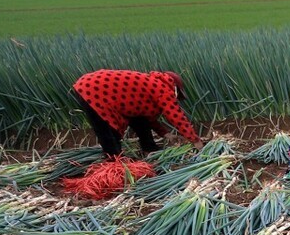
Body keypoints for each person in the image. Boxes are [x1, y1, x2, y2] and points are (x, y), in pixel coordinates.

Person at [65, 69, 203, 199]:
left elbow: (146, 118)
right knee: (107, 131)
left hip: (90, 85)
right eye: (178, 96)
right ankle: (114, 169)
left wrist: (166, 134)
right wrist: (194, 140)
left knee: (139, 118)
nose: (176, 98)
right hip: (93, 90)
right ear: (175, 88)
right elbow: (175, 115)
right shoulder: (162, 87)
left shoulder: (149, 85)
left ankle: (149, 148)